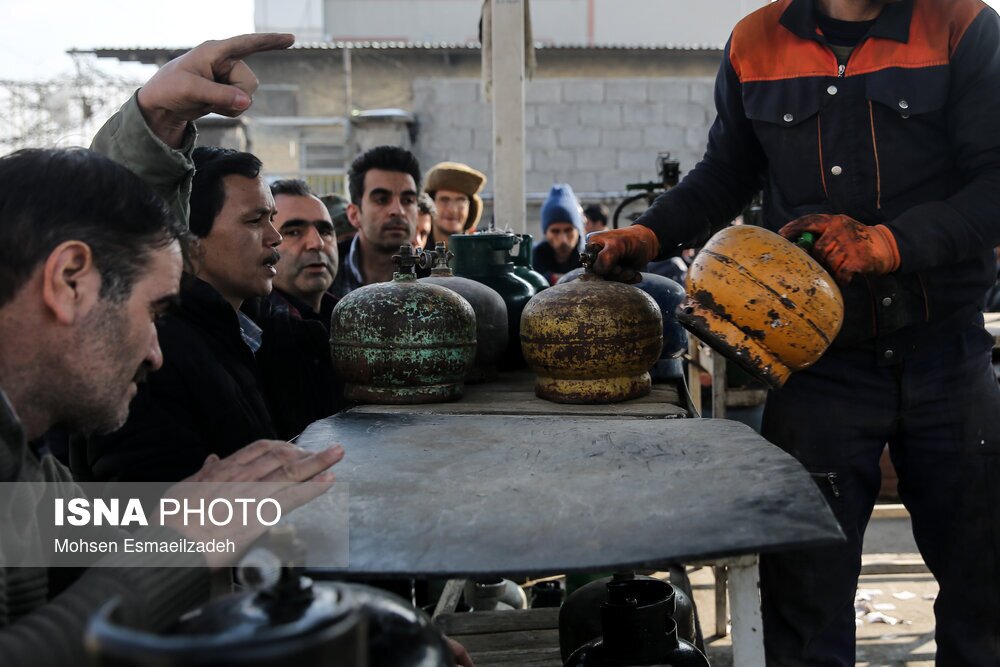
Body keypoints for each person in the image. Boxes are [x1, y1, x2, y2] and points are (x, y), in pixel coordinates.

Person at [589, 1, 1000, 664]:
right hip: (818, 368)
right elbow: (727, 171)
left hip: (944, 350)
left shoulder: (962, 25)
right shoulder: (756, 42)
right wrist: (651, 232)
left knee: (986, 592)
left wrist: (890, 244)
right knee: (806, 607)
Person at [0, 147, 342, 663]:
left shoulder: (25, 466)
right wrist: (184, 543)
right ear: (70, 280)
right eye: (154, 312)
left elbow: (95, 546)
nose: (157, 354)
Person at [330, 146, 422, 297]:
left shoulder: (436, 281)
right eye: (381, 200)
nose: (398, 210)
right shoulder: (324, 274)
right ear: (354, 214)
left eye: (407, 200)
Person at [268, 178, 339, 323]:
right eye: (294, 232)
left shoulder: (349, 317)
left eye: (325, 232)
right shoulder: (255, 332)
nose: (317, 243)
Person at [424, 161, 486, 249]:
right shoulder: (415, 250)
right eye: (444, 200)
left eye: (461, 200)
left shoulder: (480, 252)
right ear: (431, 204)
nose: (452, 210)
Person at [532, 184, 585, 285]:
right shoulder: (534, 259)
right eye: (555, 231)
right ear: (545, 233)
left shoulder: (592, 259)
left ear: (578, 231)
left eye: (568, 230)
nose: (563, 240)